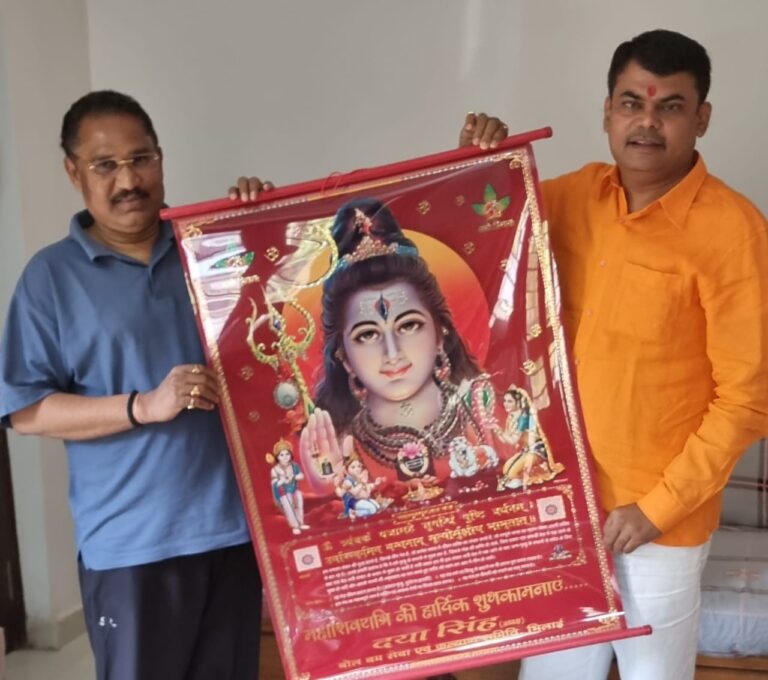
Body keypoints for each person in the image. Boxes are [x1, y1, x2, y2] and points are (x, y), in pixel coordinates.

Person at [462, 30, 768, 680]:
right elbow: (479, 245)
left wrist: (656, 510)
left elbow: (747, 400)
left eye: (670, 107)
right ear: (607, 112)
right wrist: (477, 164)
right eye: (632, 103)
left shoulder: (735, 231)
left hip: (657, 527)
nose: (647, 122)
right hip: (558, 505)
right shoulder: (570, 198)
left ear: (702, 118)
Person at [0, 90, 272, 680]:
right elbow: (27, 411)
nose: (128, 180)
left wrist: (263, 222)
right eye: (105, 165)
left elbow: (290, 324)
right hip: (130, 548)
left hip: (233, 532)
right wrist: (142, 406)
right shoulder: (50, 278)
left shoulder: (213, 248)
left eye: (141, 158)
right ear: (73, 172)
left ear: (160, 157)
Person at [298, 198, 503, 502]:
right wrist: (328, 492)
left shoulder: (484, 409)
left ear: (439, 333)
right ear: (344, 356)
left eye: (408, 326)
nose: (392, 353)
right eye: (367, 334)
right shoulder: (336, 448)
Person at [496, 387, 563, 491]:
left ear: (518, 402)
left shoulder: (524, 417)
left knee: (512, 473)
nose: (506, 404)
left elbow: (513, 441)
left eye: (510, 401)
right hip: (526, 450)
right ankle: (517, 478)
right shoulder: (511, 417)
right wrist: (497, 430)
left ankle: (530, 474)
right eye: (505, 401)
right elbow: (505, 440)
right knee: (506, 470)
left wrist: (499, 431)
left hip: (536, 450)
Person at [269, 439, 309, 534]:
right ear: (277, 457)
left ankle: (300, 523)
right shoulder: (275, 469)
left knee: (299, 505)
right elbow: (274, 483)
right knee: (289, 509)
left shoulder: (294, 466)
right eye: (282, 455)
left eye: (287, 454)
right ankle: (294, 526)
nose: (285, 457)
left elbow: (301, 475)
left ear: (291, 454)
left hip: (295, 489)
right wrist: (282, 480)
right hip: (284, 492)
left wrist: (295, 476)